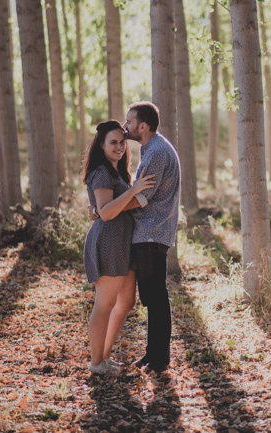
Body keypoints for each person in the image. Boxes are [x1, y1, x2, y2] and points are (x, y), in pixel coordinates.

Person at [81, 120, 155, 375]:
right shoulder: (102, 172)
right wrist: (134, 190)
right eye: (113, 142)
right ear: (101, 145)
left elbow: (112, 207)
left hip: (125, 243)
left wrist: (135, 194)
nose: (119, 147)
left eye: (122, 142)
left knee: (126, 302)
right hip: (109, 241)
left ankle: (104, 356)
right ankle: (96, 362)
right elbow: (106, 213)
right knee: (105, 303)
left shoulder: (117, 172)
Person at [123, 101, 182, 375]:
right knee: (153, 298)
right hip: (150, 232)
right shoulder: (152, 148)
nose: (126, 127)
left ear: (142, 126)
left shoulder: (156, 152)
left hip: (151, 232)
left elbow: (141, 199)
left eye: (129, 122)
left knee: (156, 298)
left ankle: (159, 359)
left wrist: (107, 211)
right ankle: (152, 355)